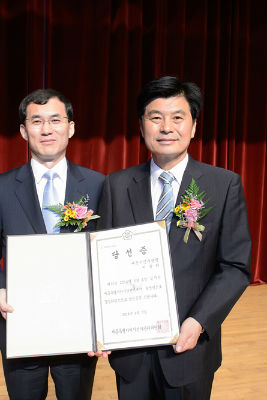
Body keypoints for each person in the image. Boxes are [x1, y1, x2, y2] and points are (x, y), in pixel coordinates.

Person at [96, 76, 252, 399]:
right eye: (155, 117)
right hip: (131, 352)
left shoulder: (223, 186)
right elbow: (100, 264)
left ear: (193, 126)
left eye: (177, 117)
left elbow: (235, 267)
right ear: (142, 126)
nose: (166, 127)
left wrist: (199, 321)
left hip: (189, 347)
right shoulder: (116, 185)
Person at [0, 88, 104, 399]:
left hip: (77, 327)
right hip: (21, 325)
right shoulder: (0, 189)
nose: (46, 129)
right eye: (37, 121)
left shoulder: (98, 185)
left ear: (70, 127)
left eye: (56, 120)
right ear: (23, 130)